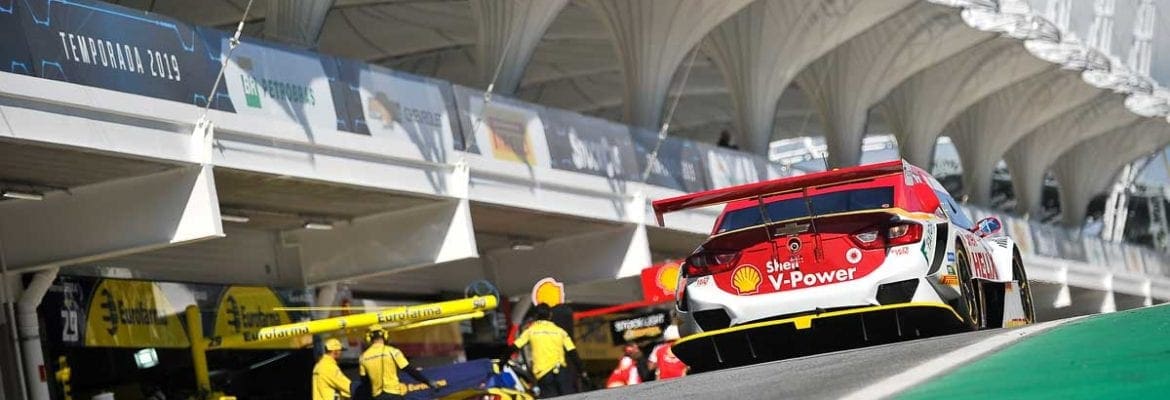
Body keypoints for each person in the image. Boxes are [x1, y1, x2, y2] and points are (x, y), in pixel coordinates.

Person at [503, 303, 588, 398]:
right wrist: (582, 371)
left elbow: (514, 347)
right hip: (561, 371)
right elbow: (573, 353)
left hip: (543, 374)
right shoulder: (560, 331)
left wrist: (503, 361)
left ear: (536, 316)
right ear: (550, 315)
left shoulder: (531, 331)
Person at [360, 325, 435, 400]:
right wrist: (427, 382)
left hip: (377, 396)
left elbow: (365, 382)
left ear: (368, 338)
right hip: (393, 394)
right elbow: (409, 370)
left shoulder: (363, 357)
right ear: (385, 336)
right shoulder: (392, 351)